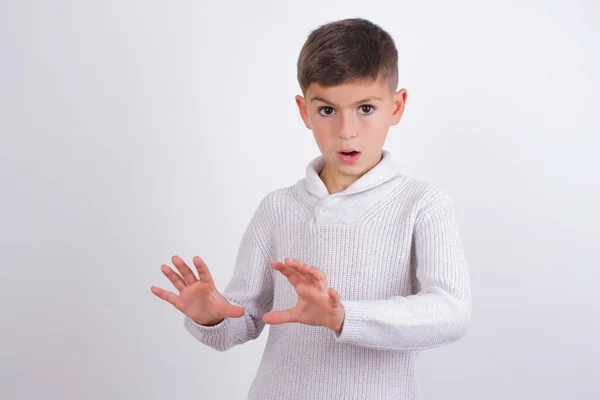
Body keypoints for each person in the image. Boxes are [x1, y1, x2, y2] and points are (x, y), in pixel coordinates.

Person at [151, 17, 472, 400]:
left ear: (397, 106)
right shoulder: (278, 208)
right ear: (304, 111)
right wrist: (213, 315)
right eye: (327, 111)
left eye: (366, 108)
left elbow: (451, 312)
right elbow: (243, 321)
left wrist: (342, 316)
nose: (347, 131)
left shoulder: (422, 204)